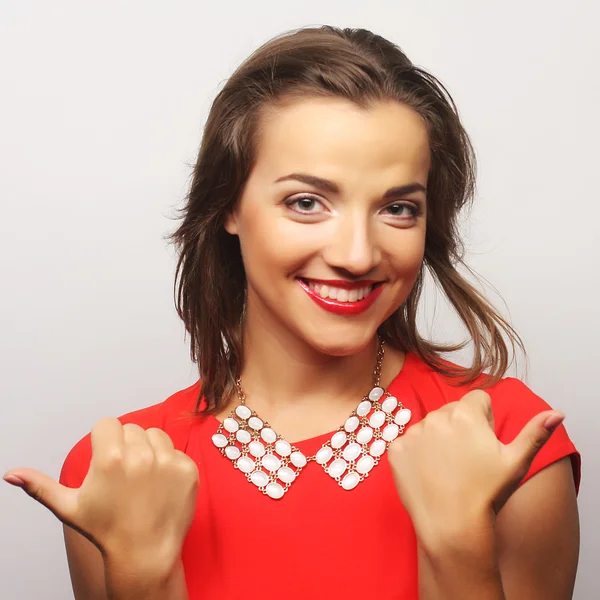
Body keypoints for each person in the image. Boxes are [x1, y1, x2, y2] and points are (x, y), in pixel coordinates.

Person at [3, 25, 580, 600]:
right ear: (228, 204)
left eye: (399, 208)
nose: (357, 254)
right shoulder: (120, 470)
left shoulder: (506, 441)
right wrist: (142, 574)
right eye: (307, 202)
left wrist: (457, 547)